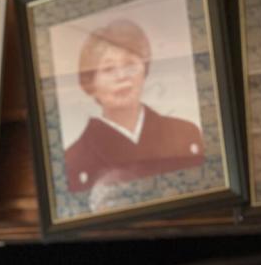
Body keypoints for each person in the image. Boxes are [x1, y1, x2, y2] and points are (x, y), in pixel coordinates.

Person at [64, 19, 204, 195]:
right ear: (91, 84)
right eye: (108, 69)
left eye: (130, 65)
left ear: (144, 70)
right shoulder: (74, 158)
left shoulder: (184, 134)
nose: (122, 76)